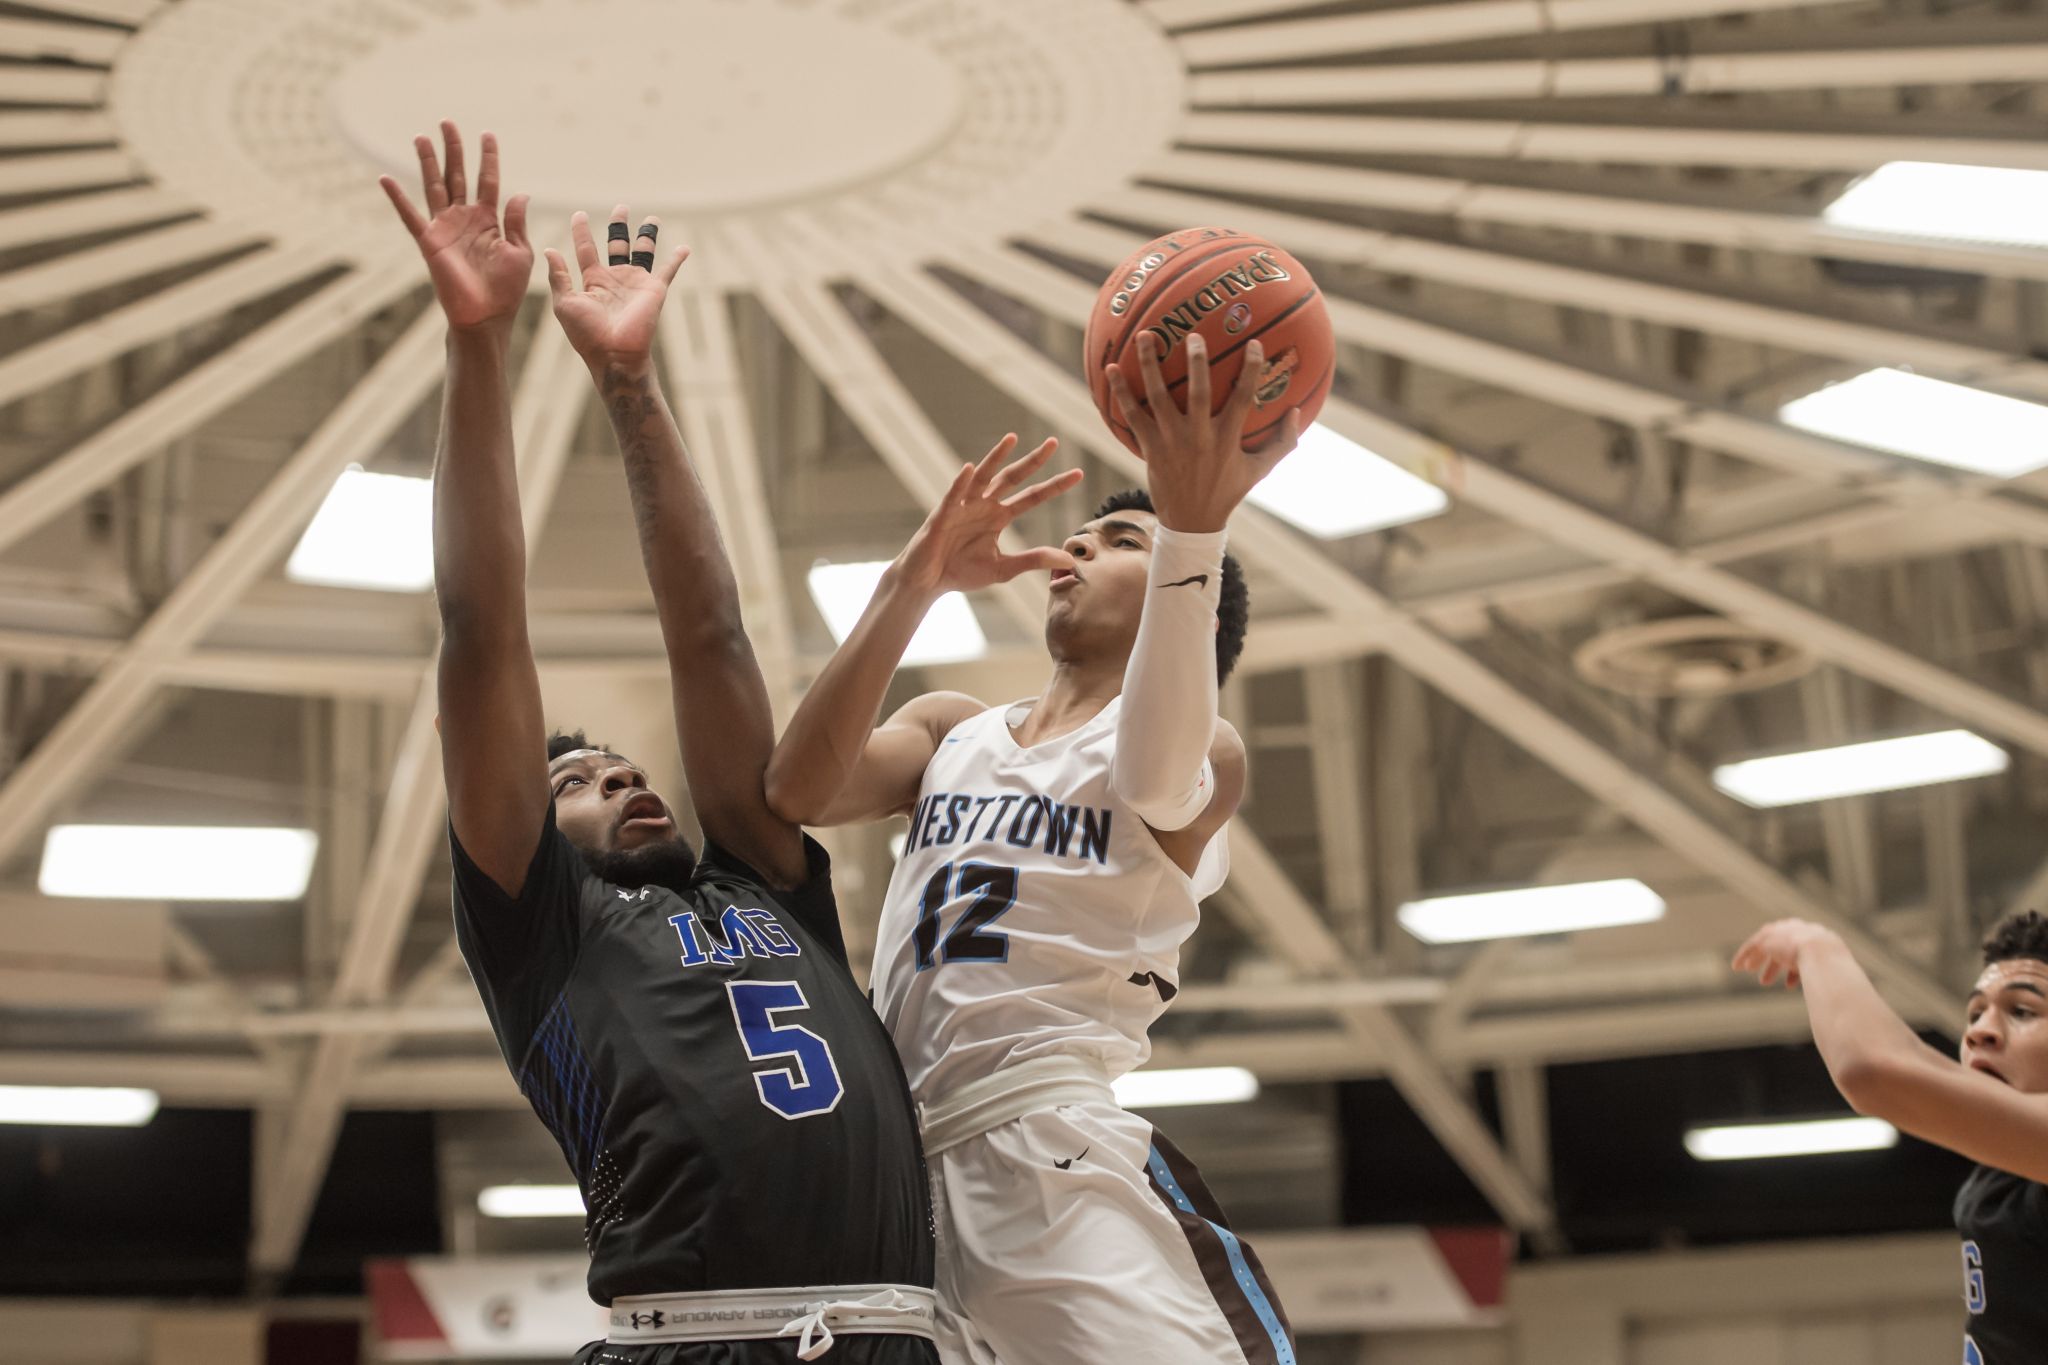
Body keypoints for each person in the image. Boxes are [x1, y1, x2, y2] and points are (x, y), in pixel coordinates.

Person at [380, 122, 938, 1364]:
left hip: (892, 1336)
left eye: (619, 766)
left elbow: (711, 635)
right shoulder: (543, 927)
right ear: (531, 833)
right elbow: (481, 631)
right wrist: (480, 344)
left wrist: (630, 391)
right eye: (571, 784)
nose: (621, 777)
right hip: (693, 1340)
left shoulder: (763, 881)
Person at [762, 329, 1303, 1365]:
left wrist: (1193, 526)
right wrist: (911, 584)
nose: (1080, 548)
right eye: (1087, 540)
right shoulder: (948, 730)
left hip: (1047, 1147)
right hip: (898, 1180)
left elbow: (1151, 775)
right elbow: (796, 788)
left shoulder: (1203, 756)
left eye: (1123, 544)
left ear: (1186, 604)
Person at [1734, 911, 2048, 1363]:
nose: (1979, 1032)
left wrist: (1816, 945)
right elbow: (1907, 1069)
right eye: (1975, 1013)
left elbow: (1873, 1069)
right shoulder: (2002, 1172)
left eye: (2021, 1011)